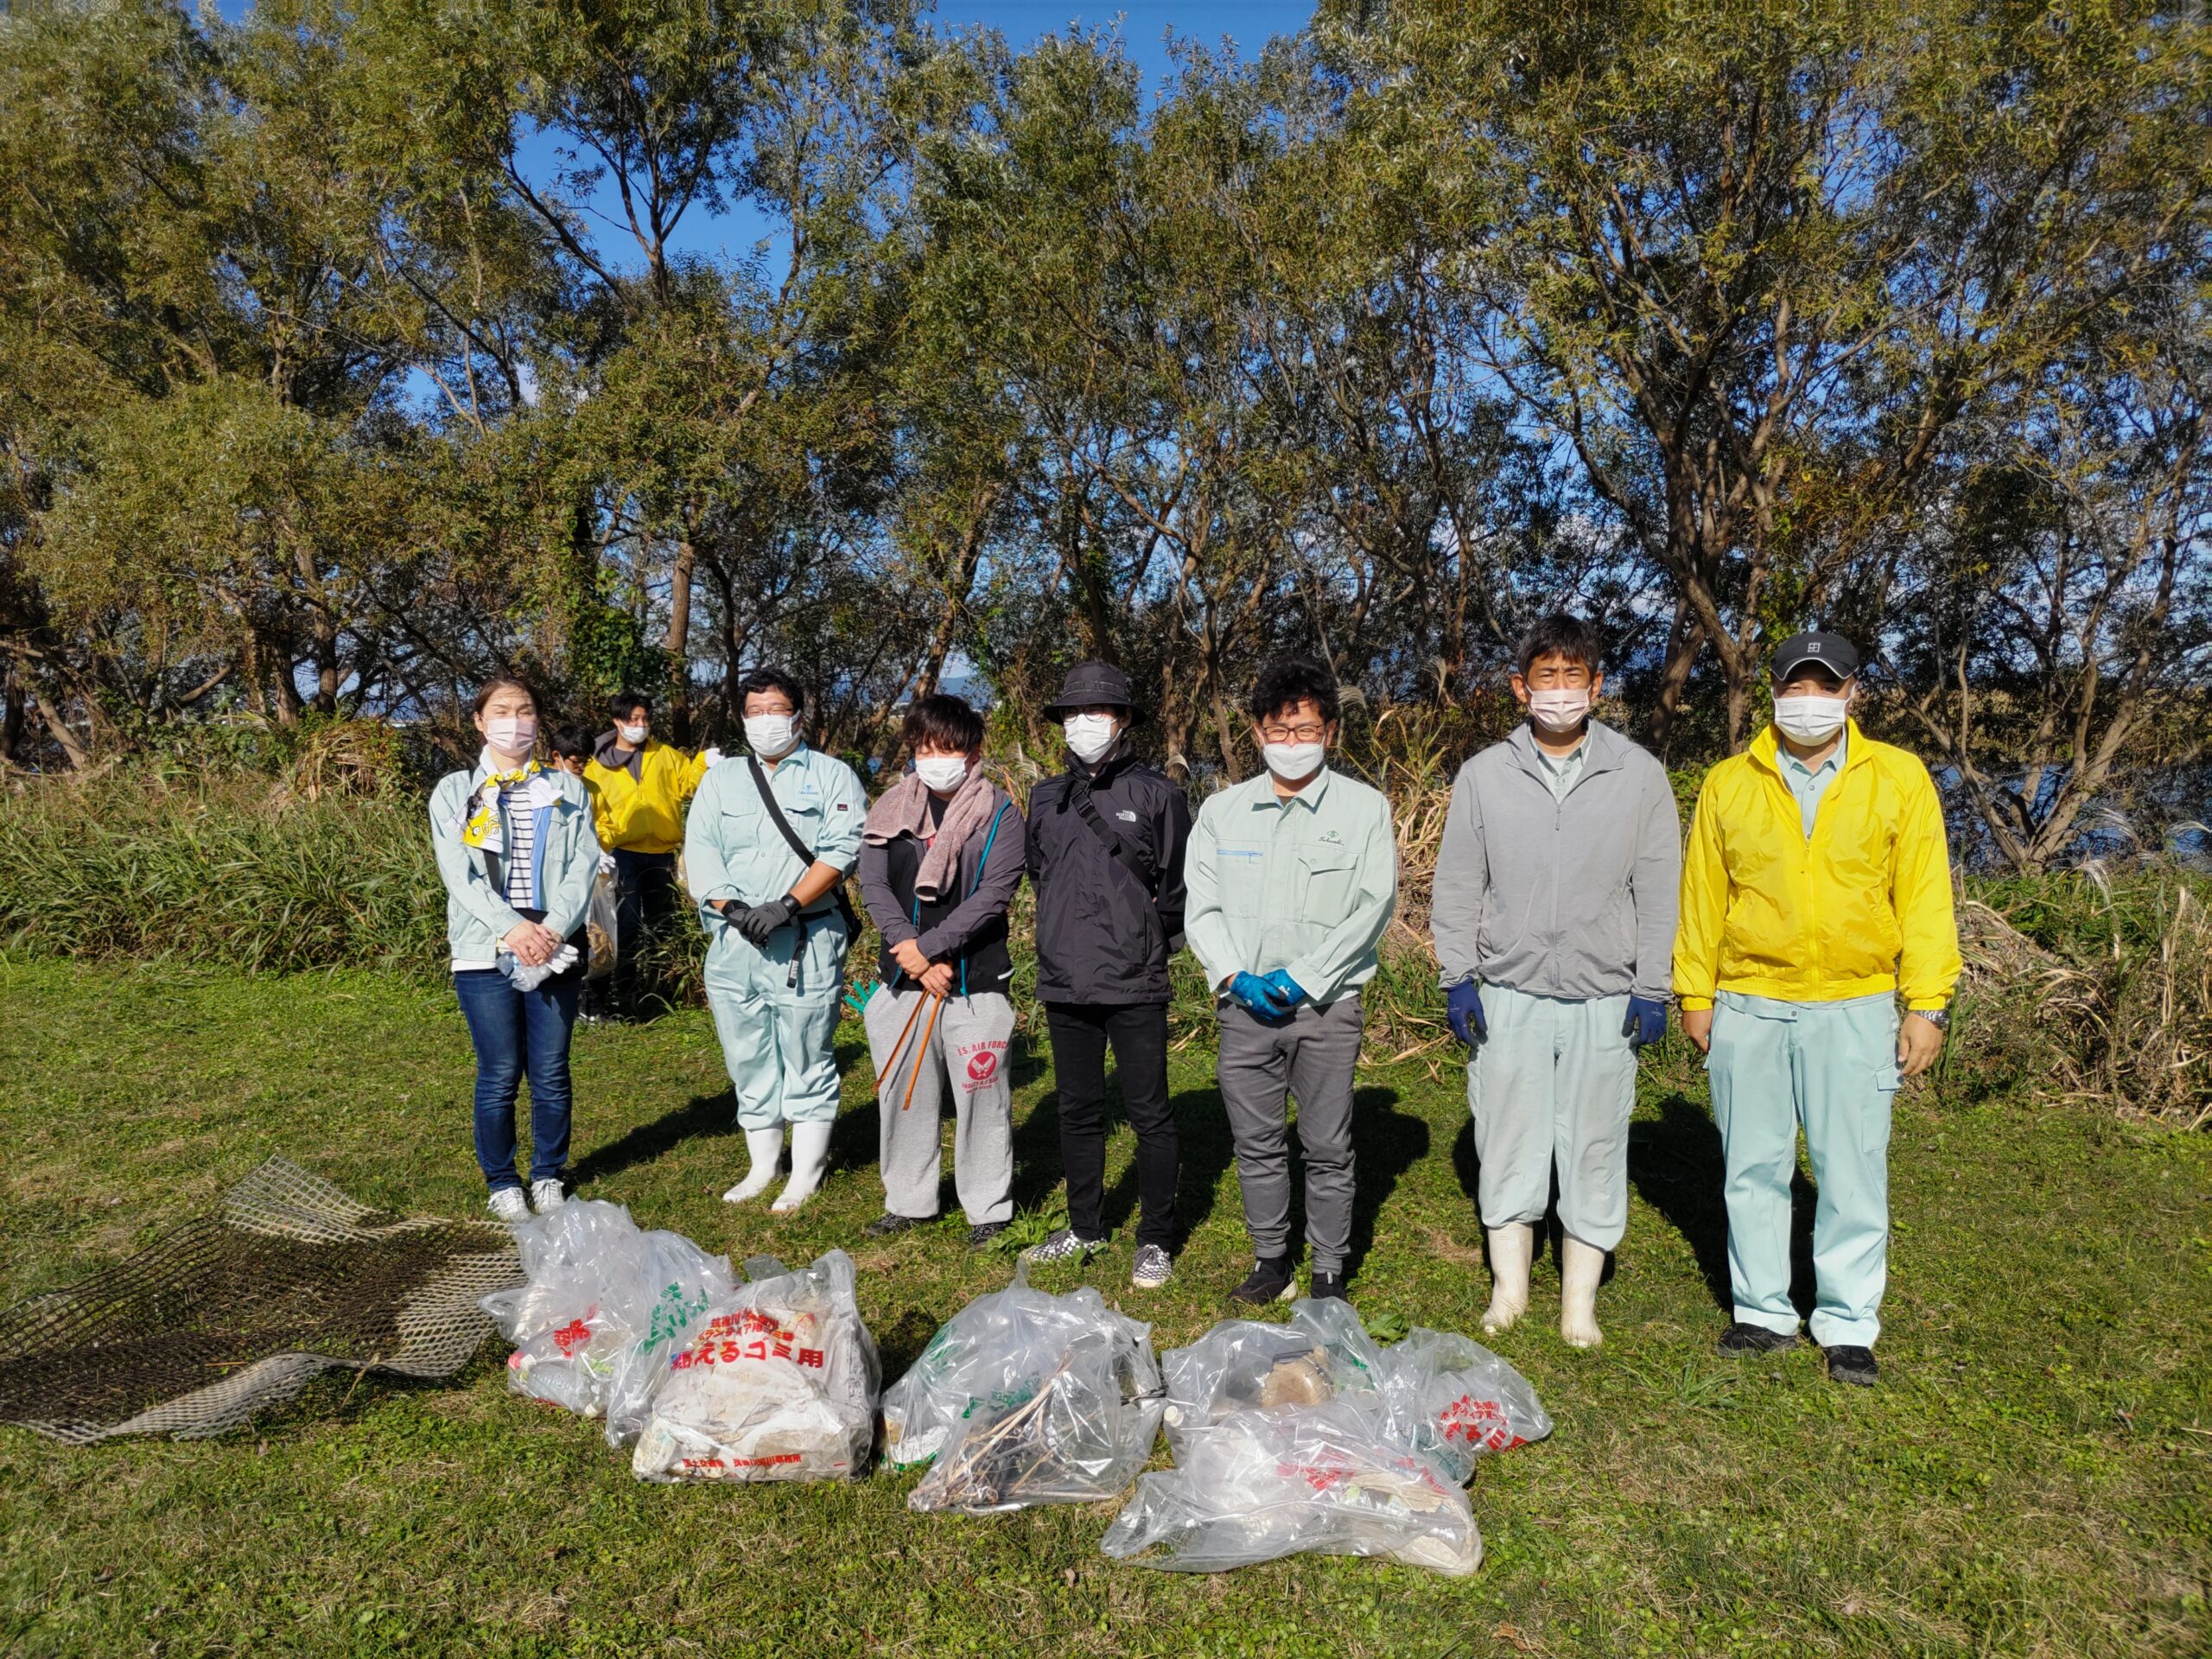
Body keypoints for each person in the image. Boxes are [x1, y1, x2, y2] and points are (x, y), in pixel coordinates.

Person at [1675, 631, 1961, 1388]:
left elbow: (1926, 898)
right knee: (1753, 1167)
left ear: (1851, 692)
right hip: (1750, 1002)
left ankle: (1846, 1321)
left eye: (1824, 686)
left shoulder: (1898, 778)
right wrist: (1694, 993)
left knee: (1852, 1171)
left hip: (1856, 1004)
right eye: (1795, 686)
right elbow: (1703, 896)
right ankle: (1763, 1312)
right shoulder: (1728, 783)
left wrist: (1927, 1003)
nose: (1809, 700)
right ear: (1773, 691)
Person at [1429, 614, 1681, 1349]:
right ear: (1521, 688)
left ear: (1597, 688)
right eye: (1548, 677)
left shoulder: (1637, 774)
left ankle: (1580, 1303)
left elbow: (1660, 886)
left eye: (1575, 678)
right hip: (1508, 991)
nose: (1561, 691)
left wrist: (1652, 984)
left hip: (1606, 995)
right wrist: (1459, 977)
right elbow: (1456, 885)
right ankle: (1510, 1289)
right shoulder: (1483, 775)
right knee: (1508, 1138)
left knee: (1596, 1143)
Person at [1184, 657, 1398, 1304]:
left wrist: (1305, 978)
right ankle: (1271, 1258)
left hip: (1327, 1009)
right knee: (1256, 1142)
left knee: (1327, 1144)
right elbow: (1203, 905)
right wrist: (1233, 976)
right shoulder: (1223, 812)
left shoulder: (1364, 809)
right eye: (1280, 731)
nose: (1292, 744)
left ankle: (1329, 1267)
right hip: (1244, 1009)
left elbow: (1373, 903)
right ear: (1257, 733)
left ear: (1329, 732)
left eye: (1305, 730)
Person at [1020, 662, 1193, 1289]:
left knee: (1150, 1112)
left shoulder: (1158, 795)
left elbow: (1177, 887)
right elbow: (1042, 875)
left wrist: (1144, 937)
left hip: (1134, 978)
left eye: (1094, 713)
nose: (1081, 725)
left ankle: (1155, 1238)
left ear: (1121, 721)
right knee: (1077, 1110)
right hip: (1064, 975)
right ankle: (1085, 1226)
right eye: (1071, 714)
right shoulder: (1046, 796)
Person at [686, 668, 867, 1212]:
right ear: (742, 717)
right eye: (755, 711)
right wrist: (734, 909)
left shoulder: (834, 776)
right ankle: (763, 1164)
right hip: (735, 942)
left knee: (807, 1048)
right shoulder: (720, 781)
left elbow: (842, 848)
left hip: (806, 938)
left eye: (777, 710)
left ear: (799, 714)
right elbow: (702, 851)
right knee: (747, 1053)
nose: (767, 721)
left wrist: (787, 904)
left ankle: (805, 1172)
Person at [857, 693, 1028, 1249]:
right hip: (902, 979)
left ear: (973, 752)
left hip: (974, 983)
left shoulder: (999, 814)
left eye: (949, 748)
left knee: (983, 1097)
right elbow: (874, 884)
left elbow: (993, 896)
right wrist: (909, 949)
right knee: (905, 1093)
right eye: (926, 747)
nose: (936, 758)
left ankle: (989, 1208)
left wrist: (928, 949)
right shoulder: (890, 807)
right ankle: (909, 1199)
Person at [428, 677, 602, 1223]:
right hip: (485, 948)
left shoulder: (568, 788)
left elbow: (583, 863)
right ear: (479, 721)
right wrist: (510, 927)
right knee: (500, 1070)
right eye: (501, 711)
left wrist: (549, 929)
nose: (515, 720)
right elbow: (458, 872)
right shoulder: (456, 792)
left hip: (555, 944)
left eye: (525, 710)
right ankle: (502, 1181)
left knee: (551, 1068)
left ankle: (548, 1172)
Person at [582, 691, 717, 1015]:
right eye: (633, 720)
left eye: (645, 719)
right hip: (621, 853)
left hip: (662, 853)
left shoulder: (665, 754)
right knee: (626, 927)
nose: (640, 726)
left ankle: (660, 992)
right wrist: (599, 845)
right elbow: (589, 809)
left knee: (663, 925)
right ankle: (625, 997)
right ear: (617, 721)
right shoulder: (596, 765)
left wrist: (703, 763)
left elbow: (687, 785)